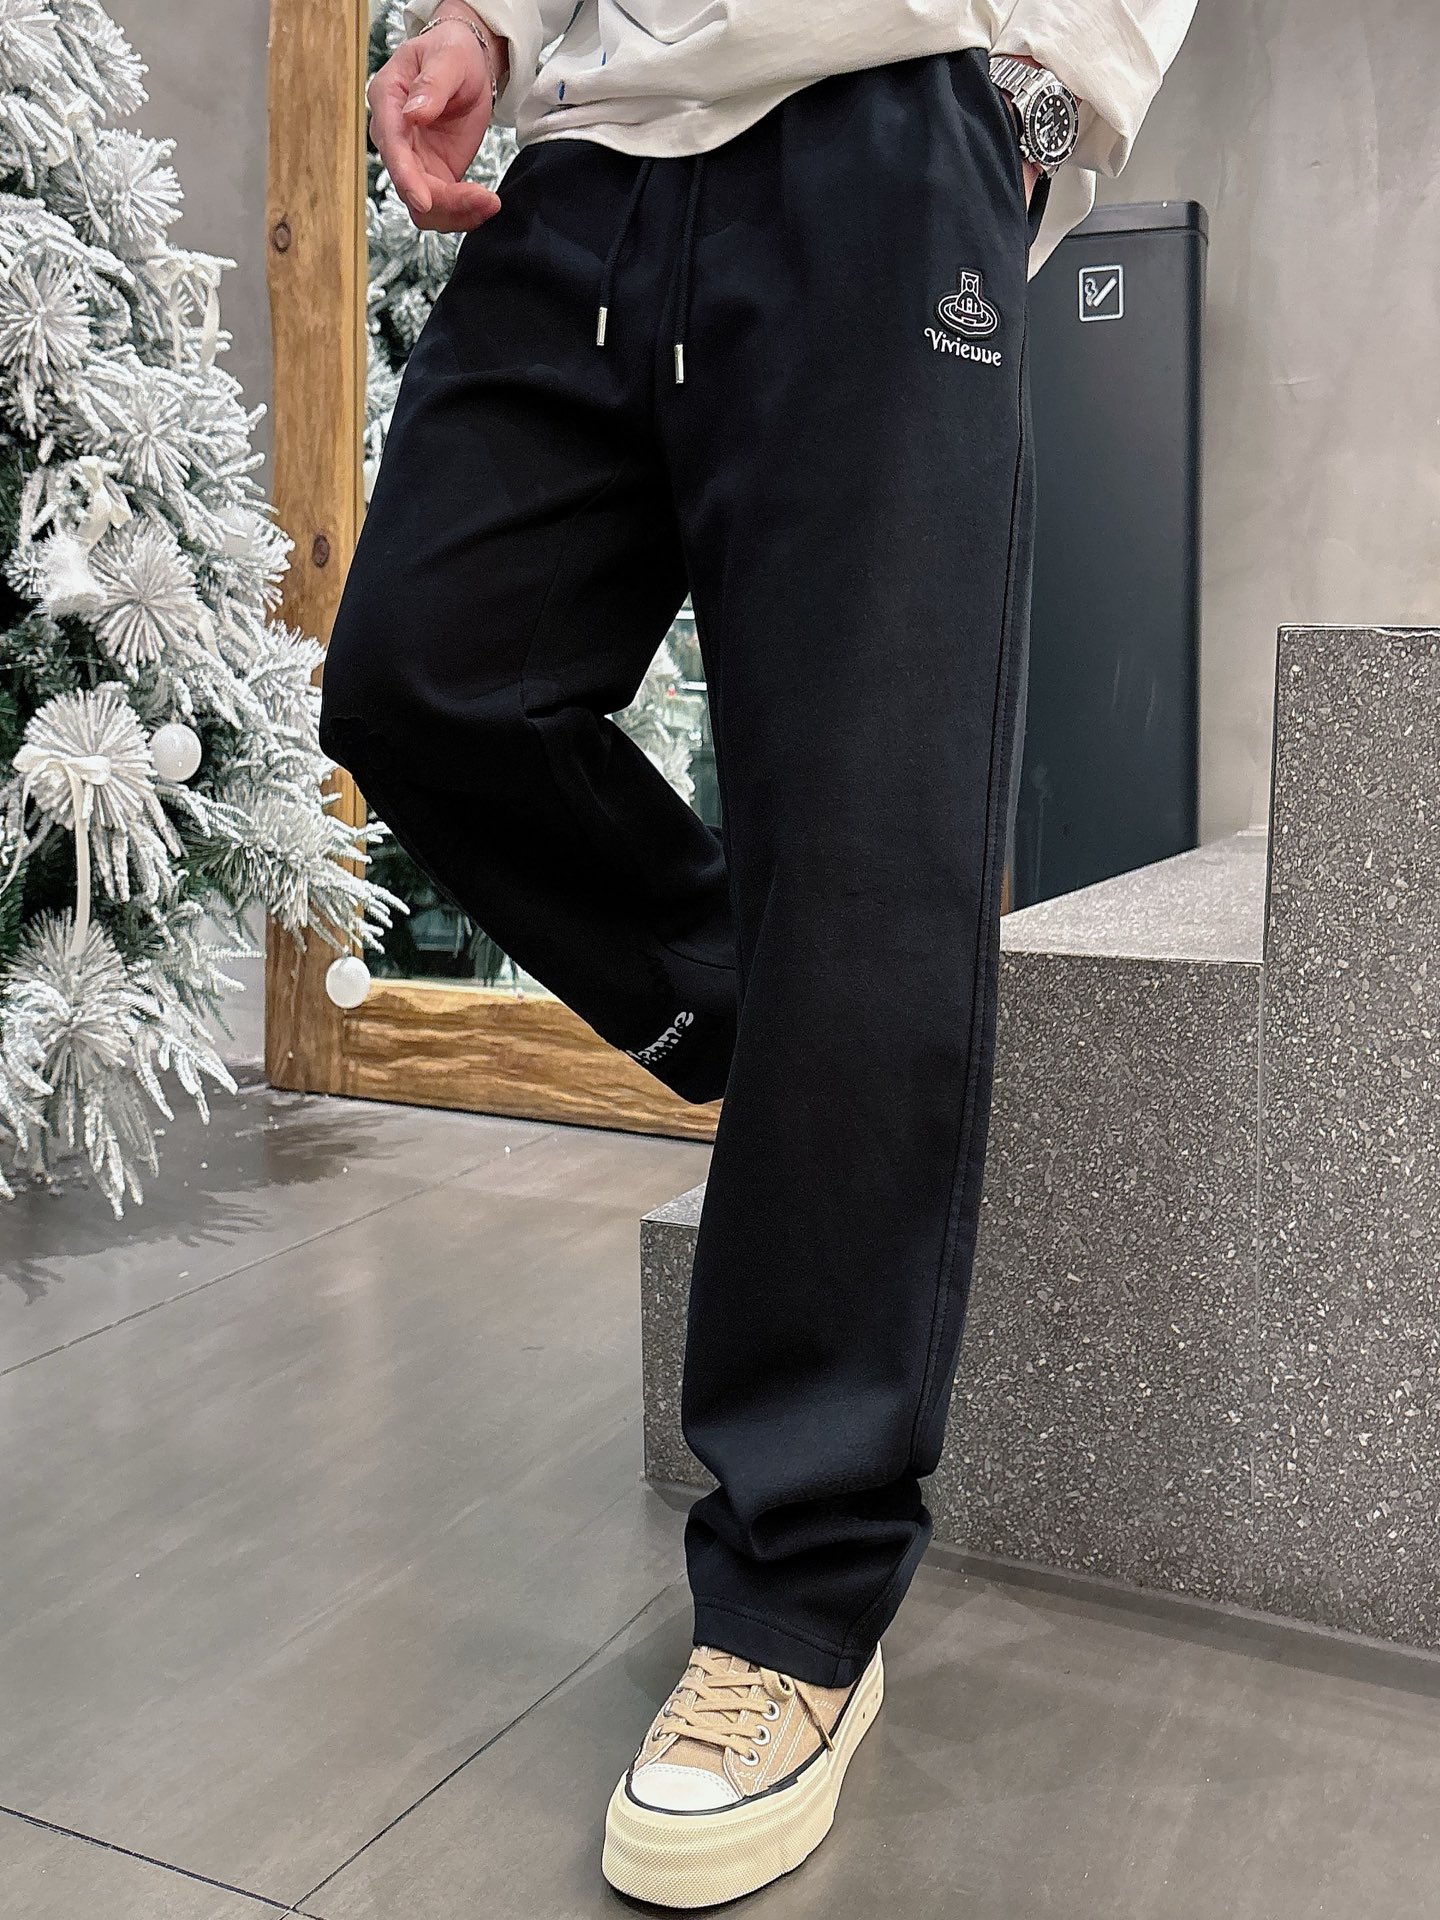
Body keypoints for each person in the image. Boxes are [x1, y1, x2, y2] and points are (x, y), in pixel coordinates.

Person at [321, 0, 1196, 1903]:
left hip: (880, 125)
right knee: (422, 678)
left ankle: (797, 1604)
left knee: (871, 848)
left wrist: (1044, 99)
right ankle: (784, 1006)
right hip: (593, 161)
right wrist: (486, 21)